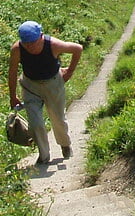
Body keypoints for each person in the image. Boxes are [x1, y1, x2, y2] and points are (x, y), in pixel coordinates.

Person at [8, 20, 83, 164]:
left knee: (58, 119)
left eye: (33, 42)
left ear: (41, 36)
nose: (29, 46)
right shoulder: (17, 49)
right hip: (30, 86)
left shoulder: (53, 45)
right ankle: (44, 155)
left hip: (53, 84)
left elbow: (77, 49)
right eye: (26, 43)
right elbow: (12, 72)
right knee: (35, 123)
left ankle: (65, 144)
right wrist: (13, 96)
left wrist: (70, 71)